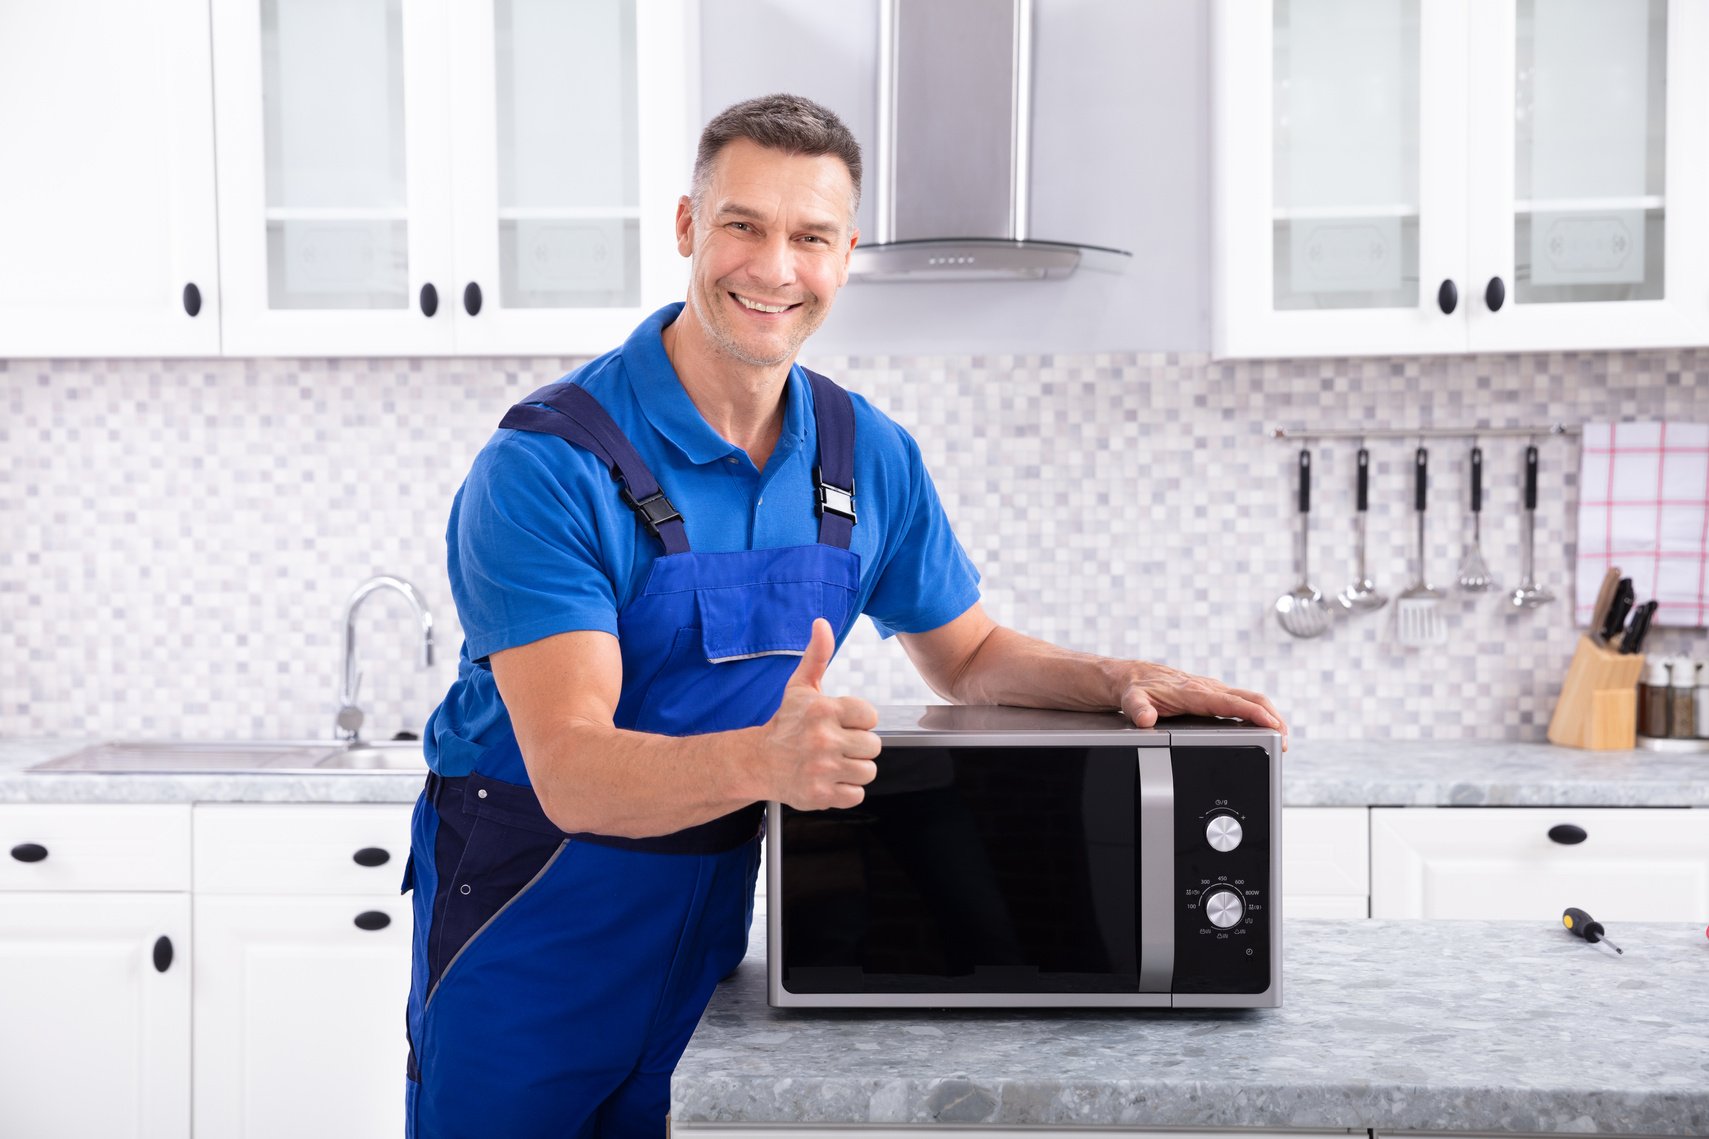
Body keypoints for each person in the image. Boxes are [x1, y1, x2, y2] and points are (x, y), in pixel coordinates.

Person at [402, 93, 1286, 1139]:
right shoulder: (550, 466)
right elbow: (572, 766)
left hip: (706, 942)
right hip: (527, 928)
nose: (774, 267)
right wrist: (767, 765)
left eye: (809, 236)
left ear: (845, 252)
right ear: (688, 227)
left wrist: (1110, 677)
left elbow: (968, 656)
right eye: (742, 225)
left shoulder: (863, 452)